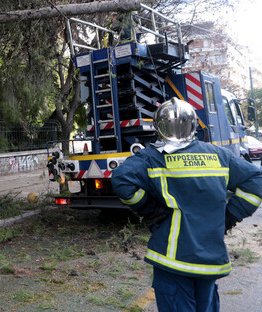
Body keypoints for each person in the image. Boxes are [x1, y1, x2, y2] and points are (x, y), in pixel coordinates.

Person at [111, 97, 262, 312]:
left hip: (172, 258)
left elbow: (121, 180)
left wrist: (148, 207)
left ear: (158, 127)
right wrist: (231, 215)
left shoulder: (152, 157)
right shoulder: (219, 155)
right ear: (193, 125)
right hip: (210, 258)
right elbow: (256, 180)